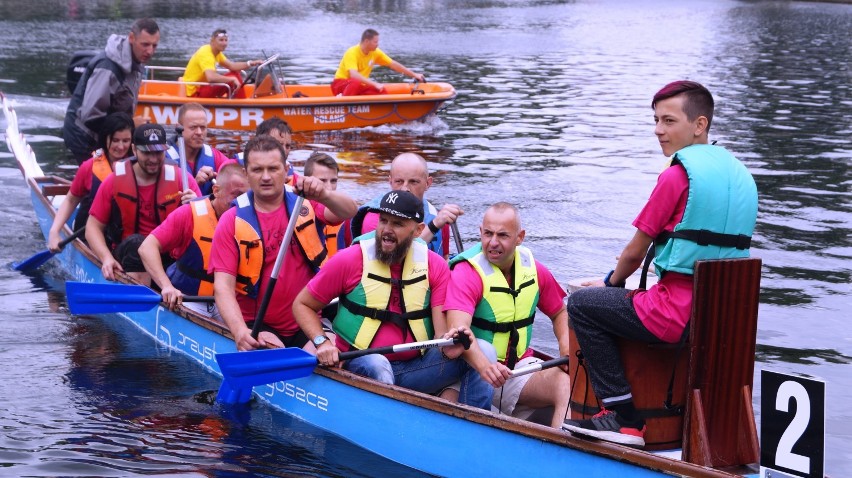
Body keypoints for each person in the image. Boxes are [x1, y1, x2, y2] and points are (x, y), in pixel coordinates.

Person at [561, 81, 758, 446]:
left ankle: (625, 419)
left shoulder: (676, 176)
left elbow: (634, 254)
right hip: (721, 319)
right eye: (655, 120)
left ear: (699, 125)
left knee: (583, 305)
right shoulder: (740, 175)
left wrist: (611, 283)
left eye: (668, 121)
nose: (658, 130)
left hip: (674, 316)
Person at [292, 190, 493, 410]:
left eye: (397, 224)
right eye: (383, 221)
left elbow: (440, 335)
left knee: (484, 349)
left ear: (417, 230)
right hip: (360, 364)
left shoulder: (435, 266)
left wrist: (449, 345)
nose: (386, 230)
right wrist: (322, 342)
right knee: (378, 364)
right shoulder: (349, 260)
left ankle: (472, 421)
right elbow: (302, 305)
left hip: (415, 369)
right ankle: (387, 422)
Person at [210, 135, 358, 351]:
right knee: (276, 352)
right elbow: (223, 287)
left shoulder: (305, 202)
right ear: (246, 174)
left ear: (286, 169)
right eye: (257, 170)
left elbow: (349, 211)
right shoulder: (231, 220)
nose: (266, 177)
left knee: (333, 359)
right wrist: (239, 331)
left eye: (273, 168)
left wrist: (324, 194)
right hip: (258, 324)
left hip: (306, 321)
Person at [445, 202, 571, 428]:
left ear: (519, 237)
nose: (493, 243)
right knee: (448, 402)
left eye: (503, 235)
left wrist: (565, 347)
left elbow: (560, 312)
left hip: (518, 369)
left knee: (567, 382)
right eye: (488, 234)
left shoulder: (533, 269)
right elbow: (459, 332)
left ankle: (562, 451)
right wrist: (487, 368)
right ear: (480, 232)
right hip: (476, 370)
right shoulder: (466, 272)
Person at [85, 123, 201, 284]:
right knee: (137, 244)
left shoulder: (184, 180)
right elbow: (92, 228)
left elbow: (206, 225)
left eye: (158, 152)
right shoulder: (114, 180)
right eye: (147, 153)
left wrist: (196, 205)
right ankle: (143, 295)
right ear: (134, 150)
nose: (153, 159)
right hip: (129, 255)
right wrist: (106, 258)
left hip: (168, 256)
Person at [138, 163, 249, 316]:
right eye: (236, 195)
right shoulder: (188, 214)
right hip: (189, 299)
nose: (241, 203)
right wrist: (166, 286)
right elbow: (147, 247)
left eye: (247, 197)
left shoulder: (250, 220)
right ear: (216, 191)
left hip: (229, 301)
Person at [64, 18, 160, 164]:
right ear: (131, 38)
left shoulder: (136, 63)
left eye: (154, 46)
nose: (150, 51)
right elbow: (91, 116)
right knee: (101, 181)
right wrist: (130, 124)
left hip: (110, 135)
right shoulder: (108, 67)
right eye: (145, 44)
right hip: (84, 137)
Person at [48, 113, 134, 251]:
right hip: (88, 235)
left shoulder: (137, 166)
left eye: (126, 141)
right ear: (105, 138)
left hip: (122, 238)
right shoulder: (89, 167)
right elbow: (71, 200)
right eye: (115, 140)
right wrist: (54, 232)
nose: (121, 146)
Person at [349, 152, 461, 258]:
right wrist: (433, 227)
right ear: (390, 181)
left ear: (428, 183)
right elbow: (392, 259)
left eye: (413, 182)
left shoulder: (438, 218)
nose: (405, 189)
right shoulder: (376, 218)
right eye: (399, 181)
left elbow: (444, 259)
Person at [166, 103, 237, 195]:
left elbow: (236, 177)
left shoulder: (214, 156)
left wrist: (219, 179)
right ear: (178, 127)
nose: (199, 132)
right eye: (193, 127)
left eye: (203, 127)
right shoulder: (165, 158)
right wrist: (194, 184)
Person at [331, 29, 425, 97]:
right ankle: (342, 104)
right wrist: (374, 83)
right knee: (356, 82)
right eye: (375, 42)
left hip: (358, 86)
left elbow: (393, 64)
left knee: (381, 91)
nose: (378, 44)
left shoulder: (375, 52)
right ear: (367, 41)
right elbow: (354, 75)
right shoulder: (352, 52)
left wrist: (414, 74)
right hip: (340, 85)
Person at [182, 29, 263, 98]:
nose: (224, 43)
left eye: (226, 40)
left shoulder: (216, 53)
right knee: (233, 76)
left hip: (202, 87)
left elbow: (232, 66)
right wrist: (231, 79)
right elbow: (211, 77)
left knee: (235, 73)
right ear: (212, 41)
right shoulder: (206, 53)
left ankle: (238, 101)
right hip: (196, 92)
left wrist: (251, 63)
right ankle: (243, 104)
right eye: (221, 40)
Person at [303, 152, 343, 258]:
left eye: (333, 181)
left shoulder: (343, 207)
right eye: (322, 181)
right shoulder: (306, 205)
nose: (329, 187)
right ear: (307, 180)